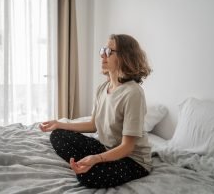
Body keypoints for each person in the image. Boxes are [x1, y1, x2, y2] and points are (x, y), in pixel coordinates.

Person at [39, 34, 152, 188]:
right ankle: (86, 163)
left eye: (109, 51)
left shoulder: (133, 93)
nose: (102, 55)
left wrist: (97, 158)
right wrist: (59, 124)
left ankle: (88, 165)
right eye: (103, 50)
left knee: (87, 176)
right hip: (106, 148)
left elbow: (127, 147)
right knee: (57, 135)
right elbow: (93, 124)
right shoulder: (102, 88)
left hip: (132, 160)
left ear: (125, 57)